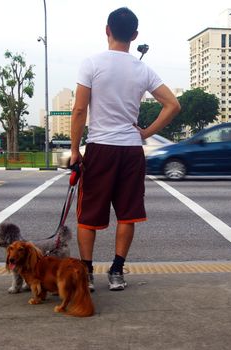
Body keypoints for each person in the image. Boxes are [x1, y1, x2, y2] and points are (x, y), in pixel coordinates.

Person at [70, 7, 180, 291]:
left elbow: (80, 109)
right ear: (134, 35)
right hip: (131, 150)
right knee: (128, 213)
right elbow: (173, 105)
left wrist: (74, 150)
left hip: (100, 148)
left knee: (89, 214)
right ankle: (117, 272)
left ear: (107, 30)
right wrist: (145, 133)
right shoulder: (142, 69)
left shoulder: (91, 63)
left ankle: (86, 274)